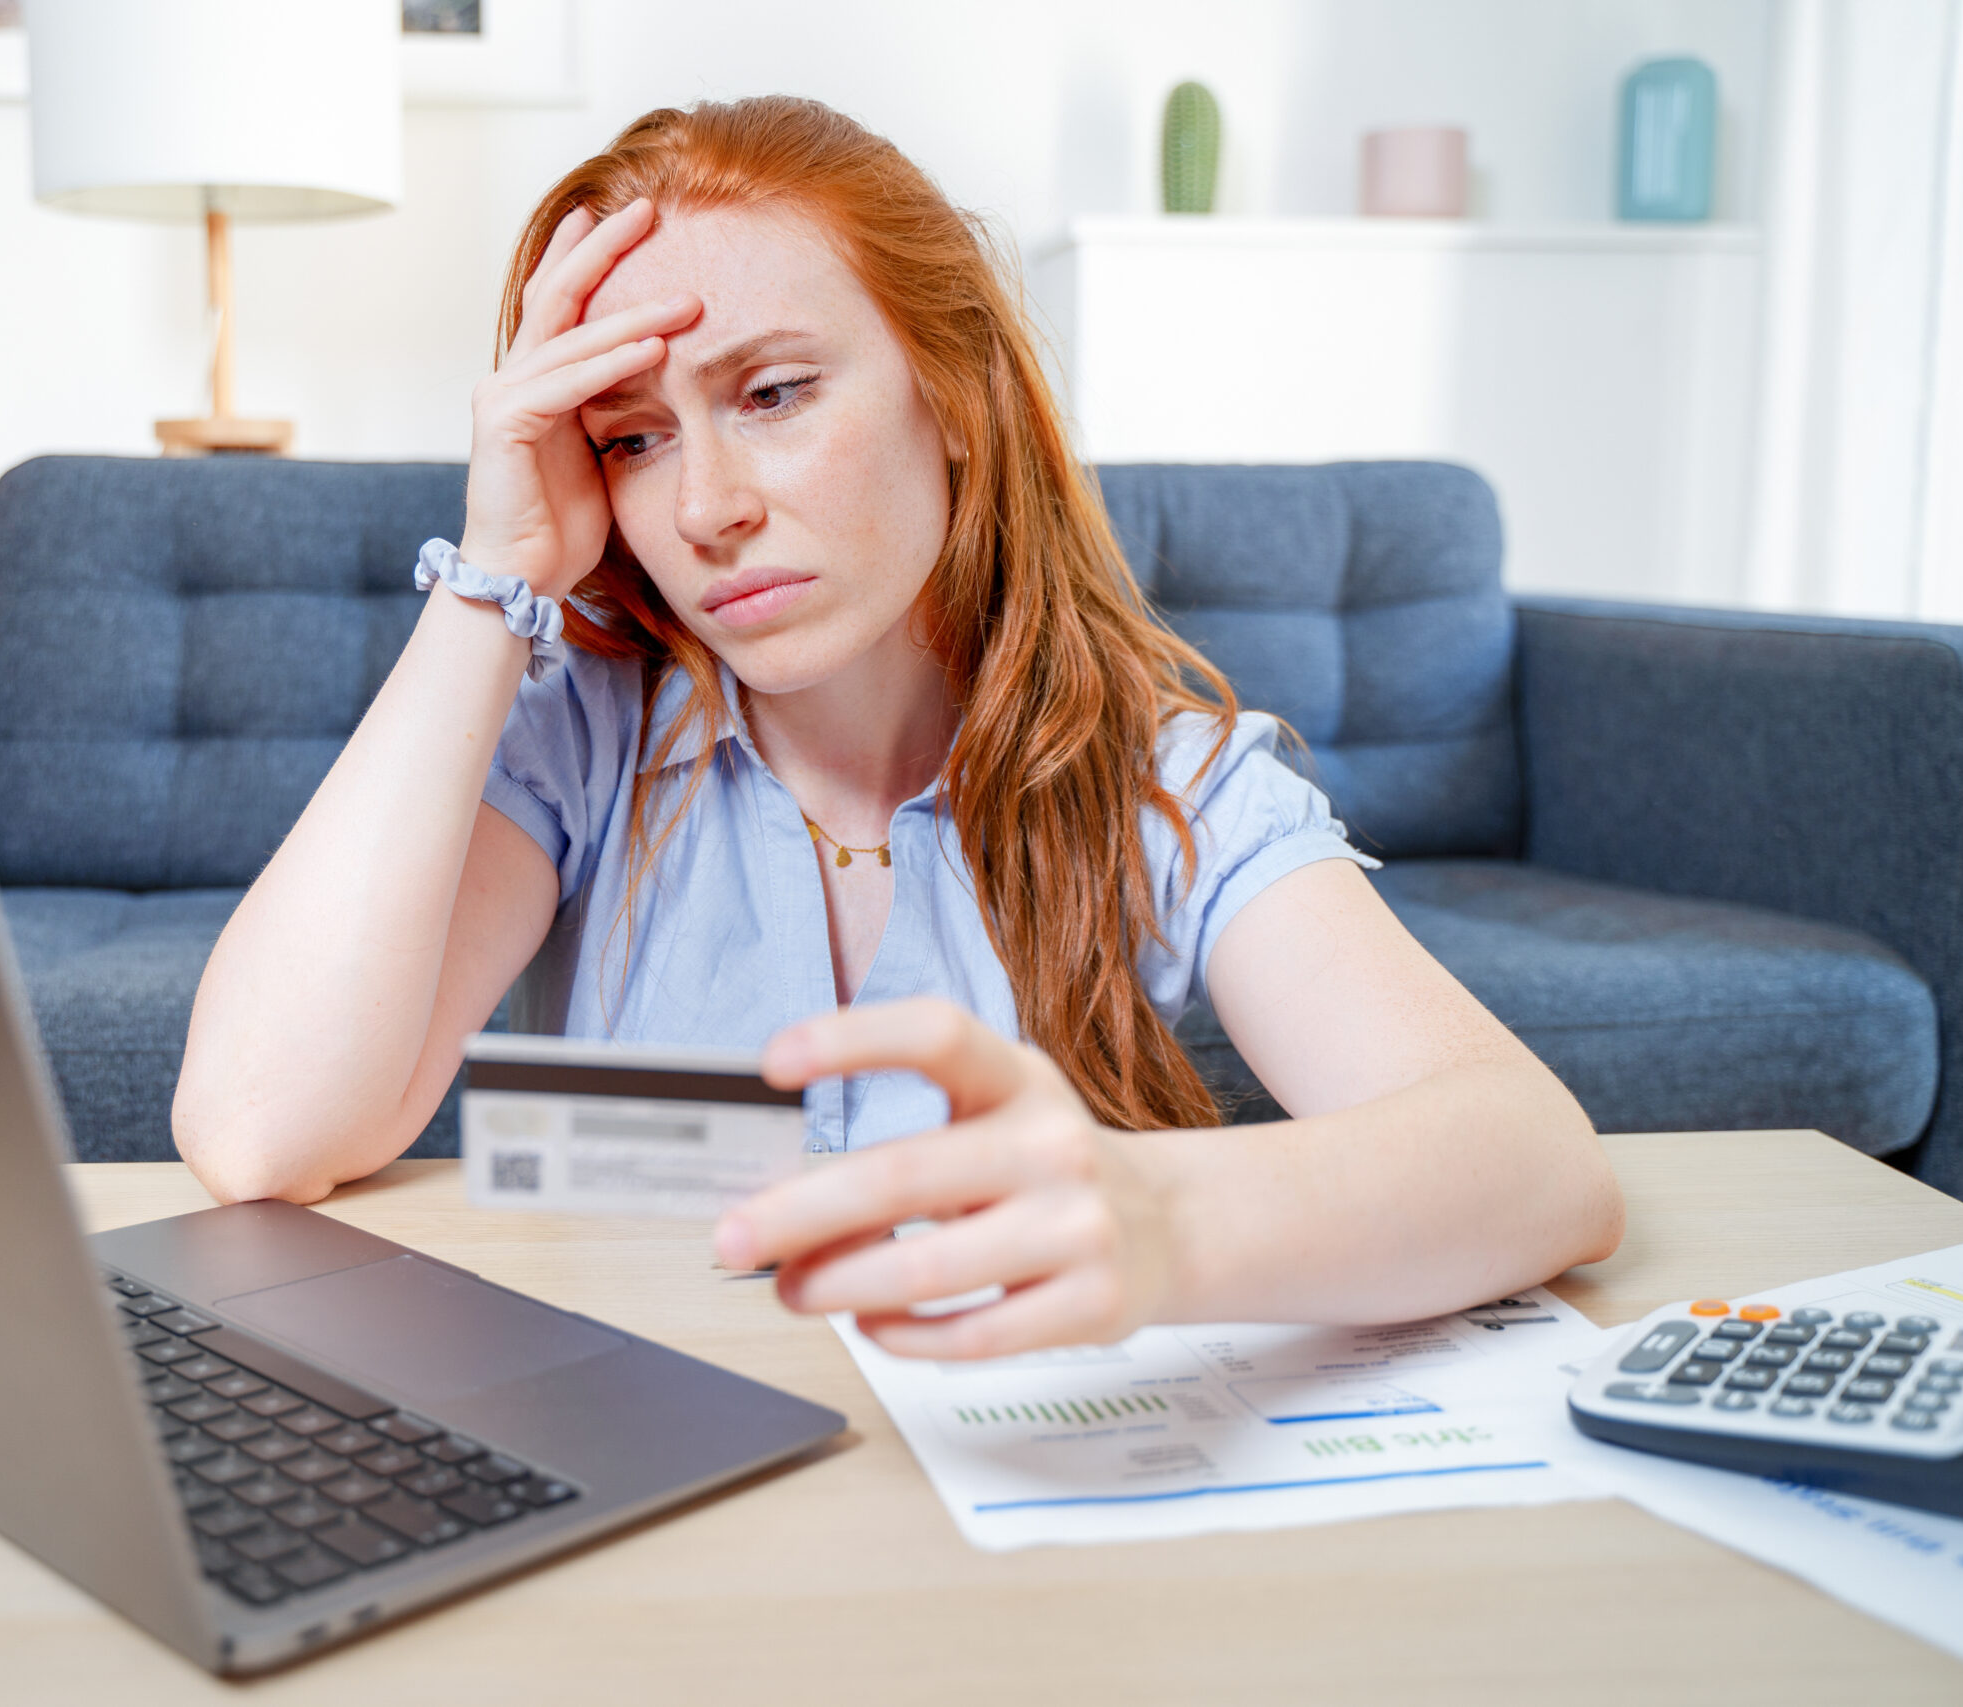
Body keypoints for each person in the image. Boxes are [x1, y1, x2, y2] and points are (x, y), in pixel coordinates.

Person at [174, 97, 1623, 1359]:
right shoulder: (583, 738)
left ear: (955, 397)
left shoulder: (1155, 781)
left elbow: (1535, 1163)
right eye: (633, 436)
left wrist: (1150, 1220)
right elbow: (258, 1132)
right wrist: (491, 580)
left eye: (775, 392)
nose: (705, 508)